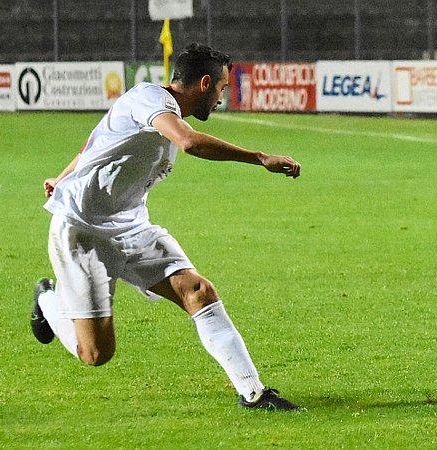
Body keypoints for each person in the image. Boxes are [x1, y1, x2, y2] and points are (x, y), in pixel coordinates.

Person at [32, 43, 303, 410]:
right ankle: (47, 300)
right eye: (222, 88)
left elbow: (93, 143)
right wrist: (259, 157)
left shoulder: (159, 111)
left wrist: (62, 176)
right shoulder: (149, 99)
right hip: (84, 231)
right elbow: (189, 143)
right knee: (96, 354)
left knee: (199, 292)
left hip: (132, 226)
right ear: (205, 83)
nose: (222, 97)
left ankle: (253, 393)